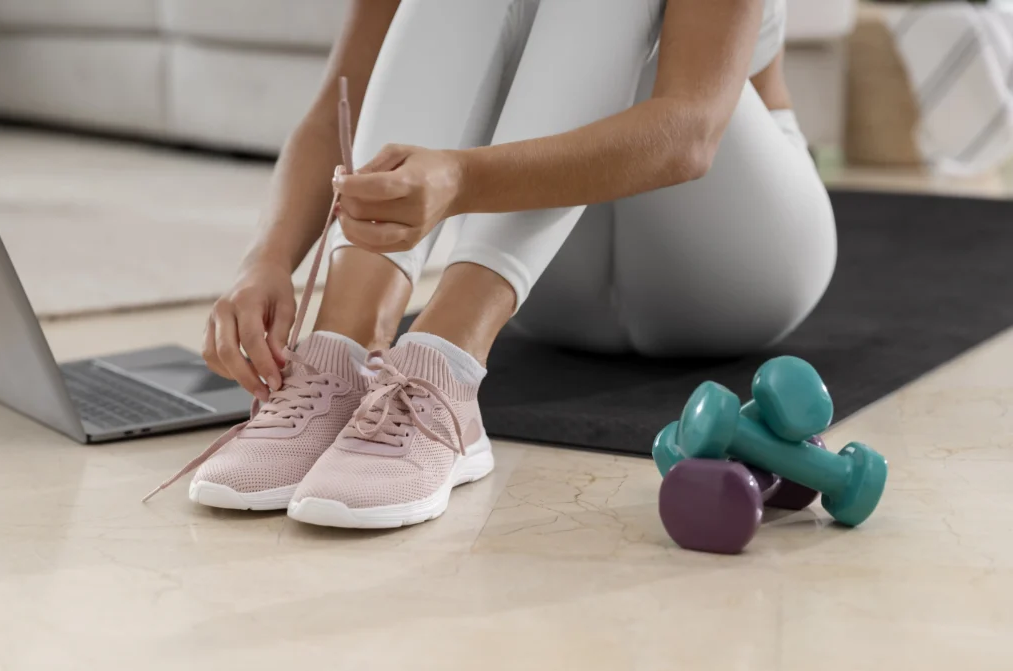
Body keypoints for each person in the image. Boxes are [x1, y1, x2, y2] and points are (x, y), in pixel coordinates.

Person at [146, 0, 836, 529]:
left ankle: (446, 357)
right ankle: (342, 350)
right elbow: (341, 104)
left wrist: (461, 180)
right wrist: (265, 260)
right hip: (548, 270)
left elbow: (690, 132)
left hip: (733, 250)